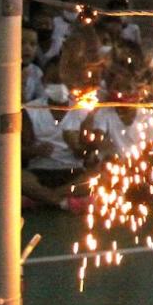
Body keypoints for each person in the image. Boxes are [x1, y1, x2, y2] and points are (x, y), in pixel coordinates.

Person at [21, 57, 90, 213]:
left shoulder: (83, 110)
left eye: (64, 81)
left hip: (73, 172)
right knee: (18, 178)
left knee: (95, 177)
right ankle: (63, 202)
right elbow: (21, 151)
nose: (60, 86)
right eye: (54, 80)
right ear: (44, 82)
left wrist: (76, 147)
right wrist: (35, 151)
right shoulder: (31, 109)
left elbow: (88, 153)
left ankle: (43, 199)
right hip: (40, 171)